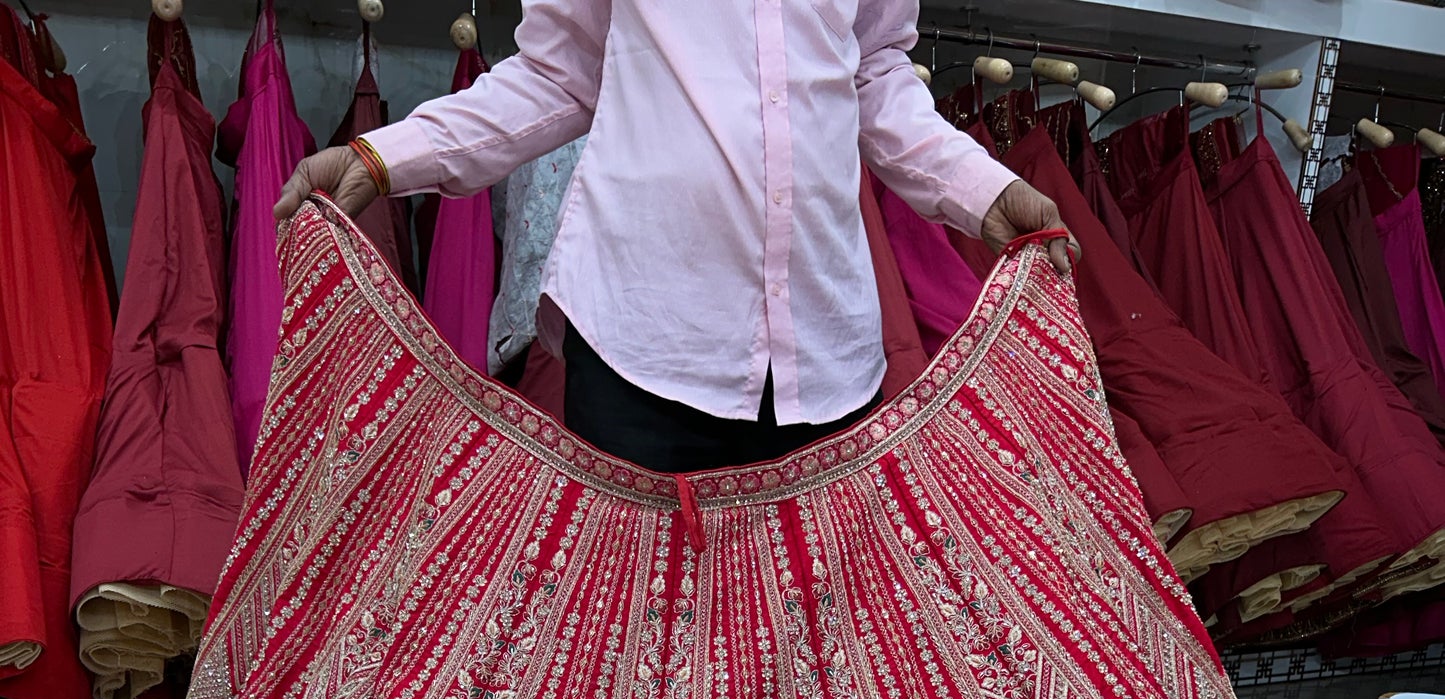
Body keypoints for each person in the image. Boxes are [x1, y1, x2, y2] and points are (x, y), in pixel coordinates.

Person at [275, 0, 1074, 470]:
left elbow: (873, 73)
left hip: (827, 353)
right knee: (636, 663)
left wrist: (984, 190)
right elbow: (557, 74)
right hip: (644, 348)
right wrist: (389, 156)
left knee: (805, 665)